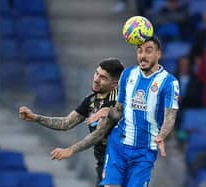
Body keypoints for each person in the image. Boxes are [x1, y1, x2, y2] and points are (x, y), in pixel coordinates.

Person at [50, 36, 179, 187]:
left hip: (144, 151)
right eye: (139, 51)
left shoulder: (169, 82)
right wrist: (108, 112)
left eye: (148, 51)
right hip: (118, 145)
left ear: (158, 54)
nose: (143, 55)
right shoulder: (128, 74)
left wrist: (161, 136)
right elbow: (119, 111)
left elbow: (170, 117)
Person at [18, 58, 124, 187]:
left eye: (103, 77)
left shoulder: (115, 102)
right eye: (96, 73)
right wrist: (35, 117)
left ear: (114, 84)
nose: (96, 79)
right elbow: (66, 123)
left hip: (118, 163)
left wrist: (71, 150)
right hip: (103, 163)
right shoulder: (91, 100)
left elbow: (99, 134)